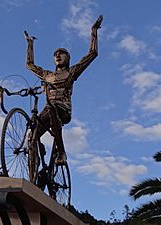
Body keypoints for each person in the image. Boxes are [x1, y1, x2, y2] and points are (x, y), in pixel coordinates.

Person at [24, 15, 103, 165]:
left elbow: (92, 54)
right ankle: (35, 171)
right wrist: (30, 44)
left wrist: (94, 31)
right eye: (55, 54)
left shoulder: (71, 72)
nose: (58, 55)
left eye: (62, 53)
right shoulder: (48, 75)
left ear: (68, 57)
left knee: (52, 108)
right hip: (48, 109)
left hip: (63, 109)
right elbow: (30, 65)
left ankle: (61, 152)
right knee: (32, 135)